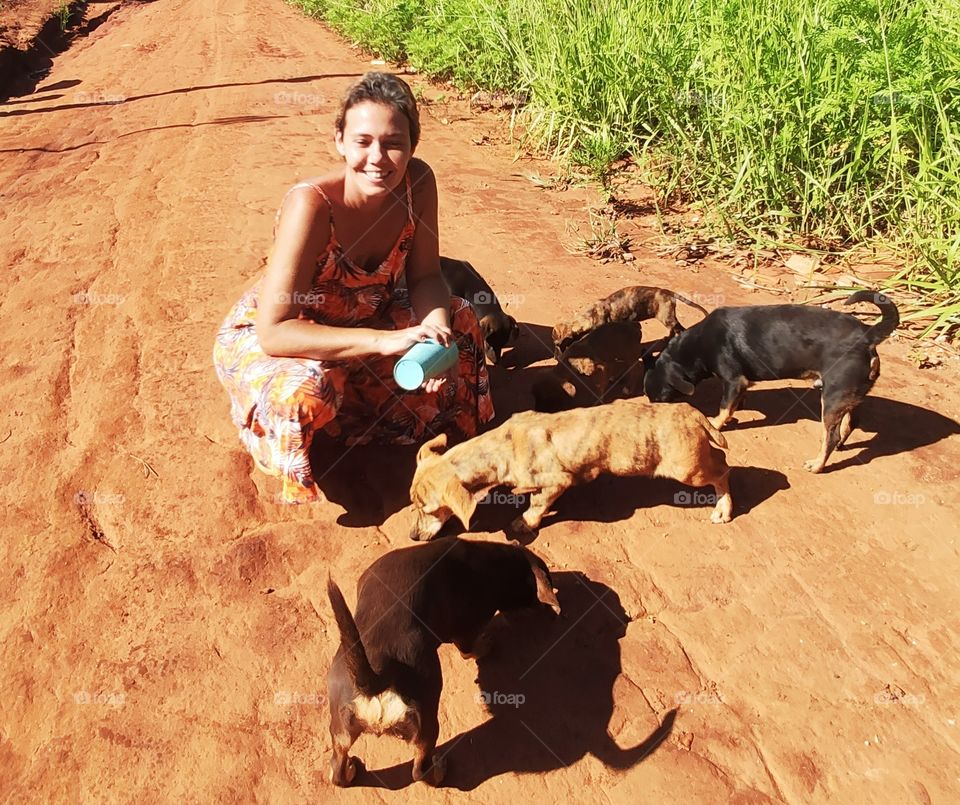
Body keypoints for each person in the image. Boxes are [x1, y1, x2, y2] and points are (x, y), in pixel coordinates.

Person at [213, 73, 494, 504]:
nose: (378, 158)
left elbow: (424, 277)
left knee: (459, 319)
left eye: (393, 142)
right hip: (285, 337)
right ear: (340, 141)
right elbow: (276, 331)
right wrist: (384, 342)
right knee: (305, 391)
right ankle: (276, 432)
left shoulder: (417, 184)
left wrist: (435, 333)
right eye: (363, 141)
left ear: (412, 146)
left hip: (368, 321)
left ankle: (360, 415)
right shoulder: (311, 206)